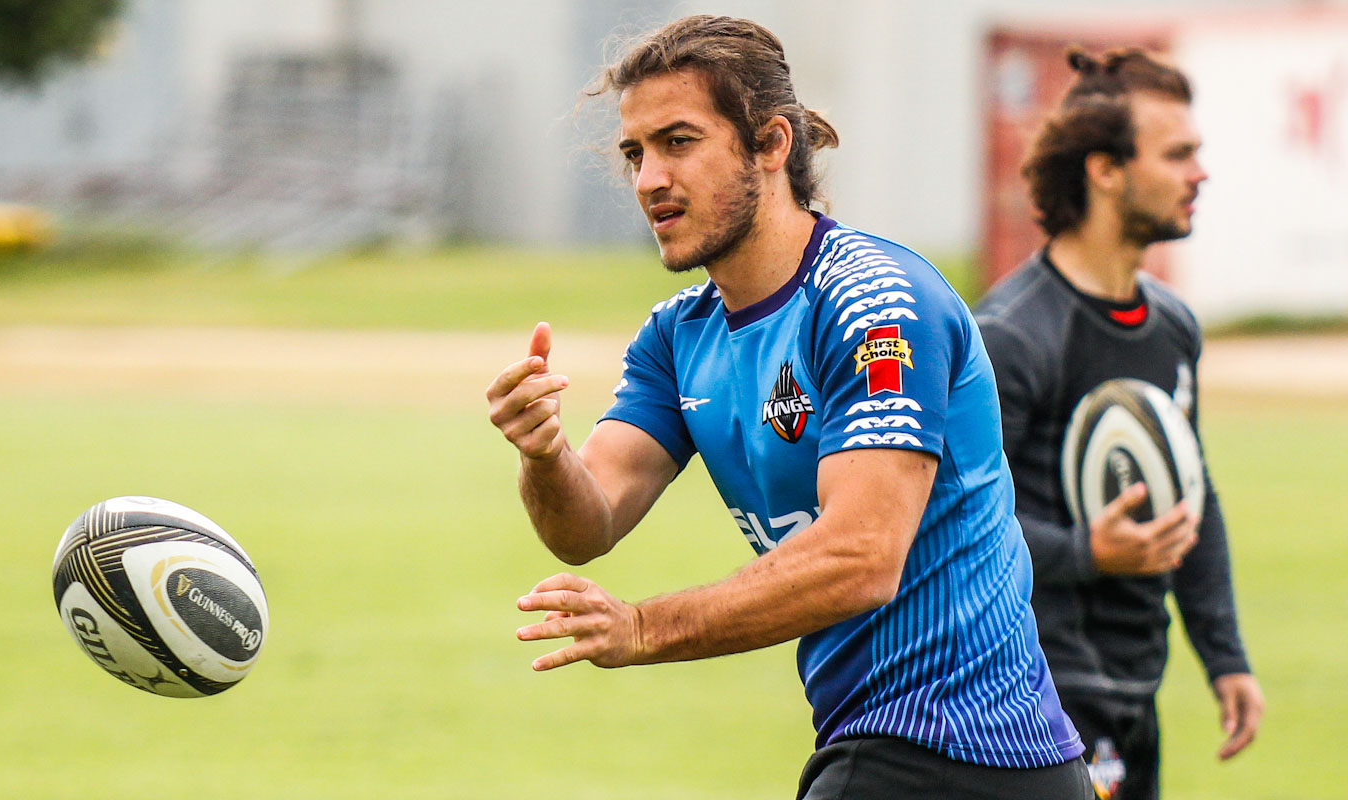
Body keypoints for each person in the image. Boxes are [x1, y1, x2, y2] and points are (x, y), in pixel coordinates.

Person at [486, 15, 1091, 800]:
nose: (648, 180)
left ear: (771, 144)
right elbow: (586, 523)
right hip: (891, 744)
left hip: (957, 747)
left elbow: (862, 558)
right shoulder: (679, 336)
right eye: (635, 153)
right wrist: (543, 454)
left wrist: (642, 627)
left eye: (678, 142)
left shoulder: (873, 305)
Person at [972, 47, 1265, 800]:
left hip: (1136, 688)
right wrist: (1086, 551)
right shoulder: (1013, 336)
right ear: (1104, 170)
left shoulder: (1172, 326)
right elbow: (954, 523)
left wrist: (1225, 656)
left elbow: (1193, 497)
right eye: (1178, 155)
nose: (1200, 174)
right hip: (1037, 697)